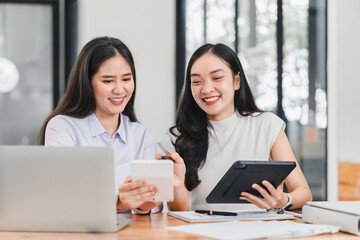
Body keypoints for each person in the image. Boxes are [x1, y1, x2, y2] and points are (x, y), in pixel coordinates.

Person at [38, 36, 186, 213]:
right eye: (108, 81)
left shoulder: (142, 135)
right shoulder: (63, 127)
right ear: (87, 82)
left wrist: (156, 192)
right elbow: (60, 197)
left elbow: (149, 210)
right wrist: (118, 203)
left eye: (126, 79)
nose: (119, 89)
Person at [159, 43, 312, 211]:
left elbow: (304, 193)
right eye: (196, 81)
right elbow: (178, 213)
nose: (206, 89)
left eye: (217, 78)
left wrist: (283, 200)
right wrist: (178, 186)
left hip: (258, 233)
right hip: (203, 232)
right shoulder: (176, 138)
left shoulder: (266, 125)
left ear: (236, 81)